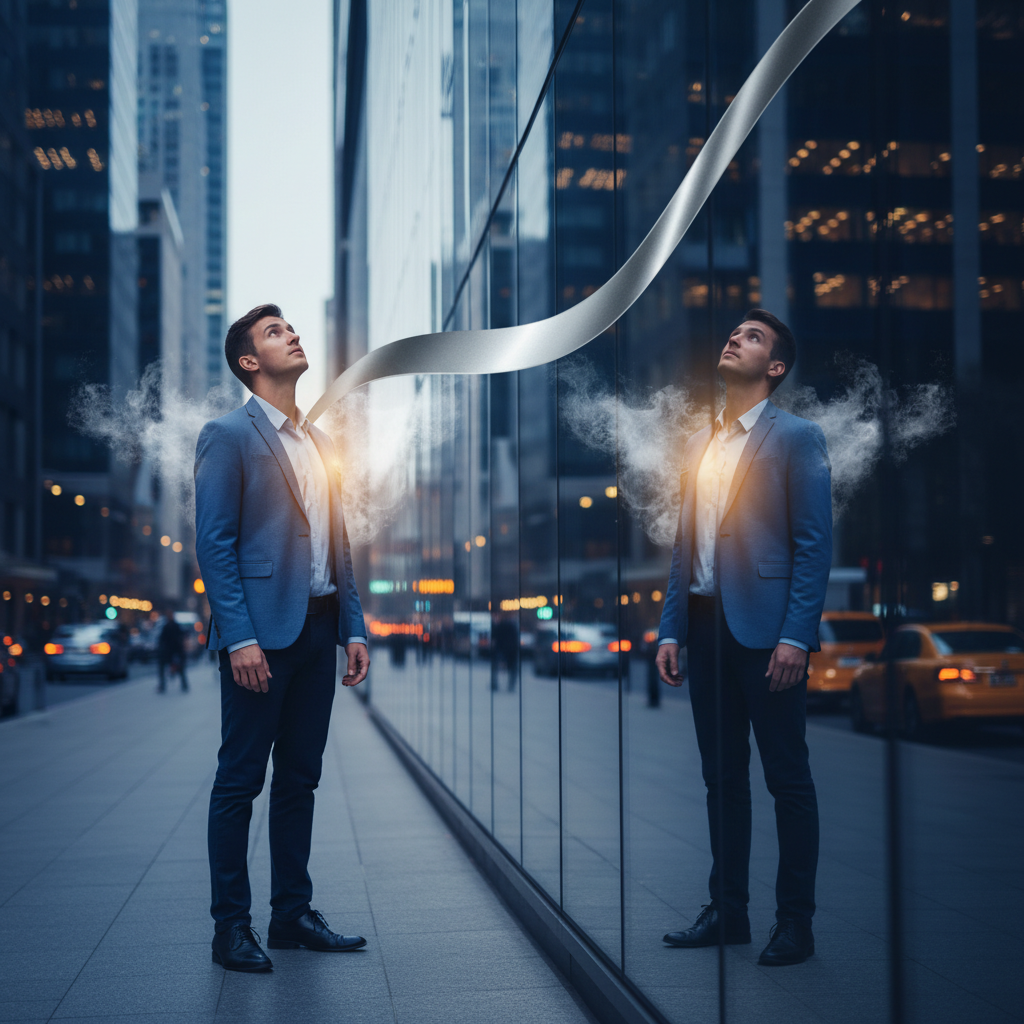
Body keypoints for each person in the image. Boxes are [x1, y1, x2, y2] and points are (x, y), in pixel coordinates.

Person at [195, 304, 371, 973]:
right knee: (239, 783)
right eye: (276, 332)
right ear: (249, 361)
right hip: (260, 637)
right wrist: (238, 638)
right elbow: (215, 544)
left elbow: (337, 543)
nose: (293, 335)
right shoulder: (227, 435)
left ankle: (291, 914)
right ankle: (230, 928)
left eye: (291, 328)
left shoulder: (320, 442)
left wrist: (353, 624)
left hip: (320, 628)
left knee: (301, 778)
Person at [655, 309, 831, 967]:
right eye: (734, 332)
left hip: (767, 635)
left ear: (775, 367)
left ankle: (796, 923)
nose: (735, 337)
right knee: (720, 779)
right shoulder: (699, 445)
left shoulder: (799, 438)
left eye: (752, 336)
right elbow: (684, 548)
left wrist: (796, 637)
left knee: (788, 779)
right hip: (705, 630)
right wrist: (671, 627)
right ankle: (727, 911)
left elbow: (813, 546)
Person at [157, 609, 188, 693]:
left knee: (179, 669)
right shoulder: (171, 626)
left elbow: (162, 639)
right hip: (172, 651)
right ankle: (183, 685)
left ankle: (163, 686)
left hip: (172, 651)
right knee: (180, 669)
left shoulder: (170, 626)